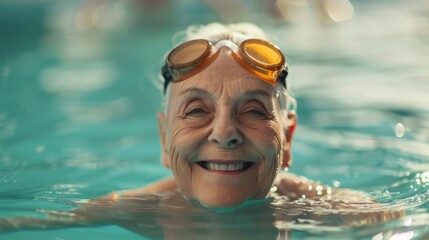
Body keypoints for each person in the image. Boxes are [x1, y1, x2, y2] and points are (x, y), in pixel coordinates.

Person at [0, 23, 403, 239]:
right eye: (196, 111)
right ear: (163, 139)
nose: (224, 133)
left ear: (289, 139)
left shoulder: (335, 211)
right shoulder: (132, 208)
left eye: (253, 110)